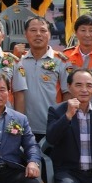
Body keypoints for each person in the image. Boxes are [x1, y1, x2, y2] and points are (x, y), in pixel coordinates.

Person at [14, 16, 64, 144]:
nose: (38, 34)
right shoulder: (19, 61)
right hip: (24, 127)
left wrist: (63, 123)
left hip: (52, 127)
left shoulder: (61, 61)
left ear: (49, 34)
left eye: (43, 30)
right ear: (26, 34)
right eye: (33, 30)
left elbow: (67, 94)